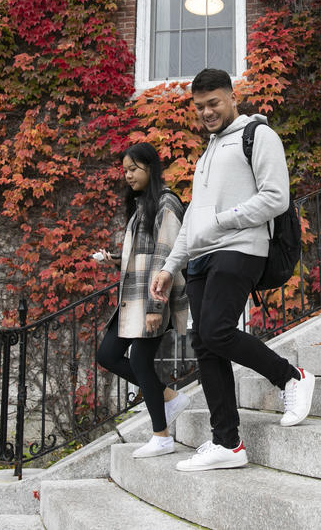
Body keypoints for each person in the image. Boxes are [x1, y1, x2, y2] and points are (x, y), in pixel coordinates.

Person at [150, 68, 315, 472]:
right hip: (203, 258)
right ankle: (227, 442)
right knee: (205, 344)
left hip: (241, 247)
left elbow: (276, 197)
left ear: (232, 98)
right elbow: (193, 220)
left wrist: (224, 221)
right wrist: (171, 266)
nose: (207, 112)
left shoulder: (258, 135)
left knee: (218, 331)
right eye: (200, 106)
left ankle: (291, 377)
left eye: (214, 103)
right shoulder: (206, 153)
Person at [95, 142, 190, 458]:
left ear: (151, 167)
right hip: (133, 301)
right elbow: (143, 254)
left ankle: (161, 436)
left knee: (138, 361)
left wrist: (156, 307)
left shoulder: (166, 204)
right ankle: (169, 397)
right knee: (108, 354)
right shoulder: (142, 207)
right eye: (125, 170)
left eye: (134, 168)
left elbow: (166, 257)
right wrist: (113, 257)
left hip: (150, 301)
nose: (128, 175)